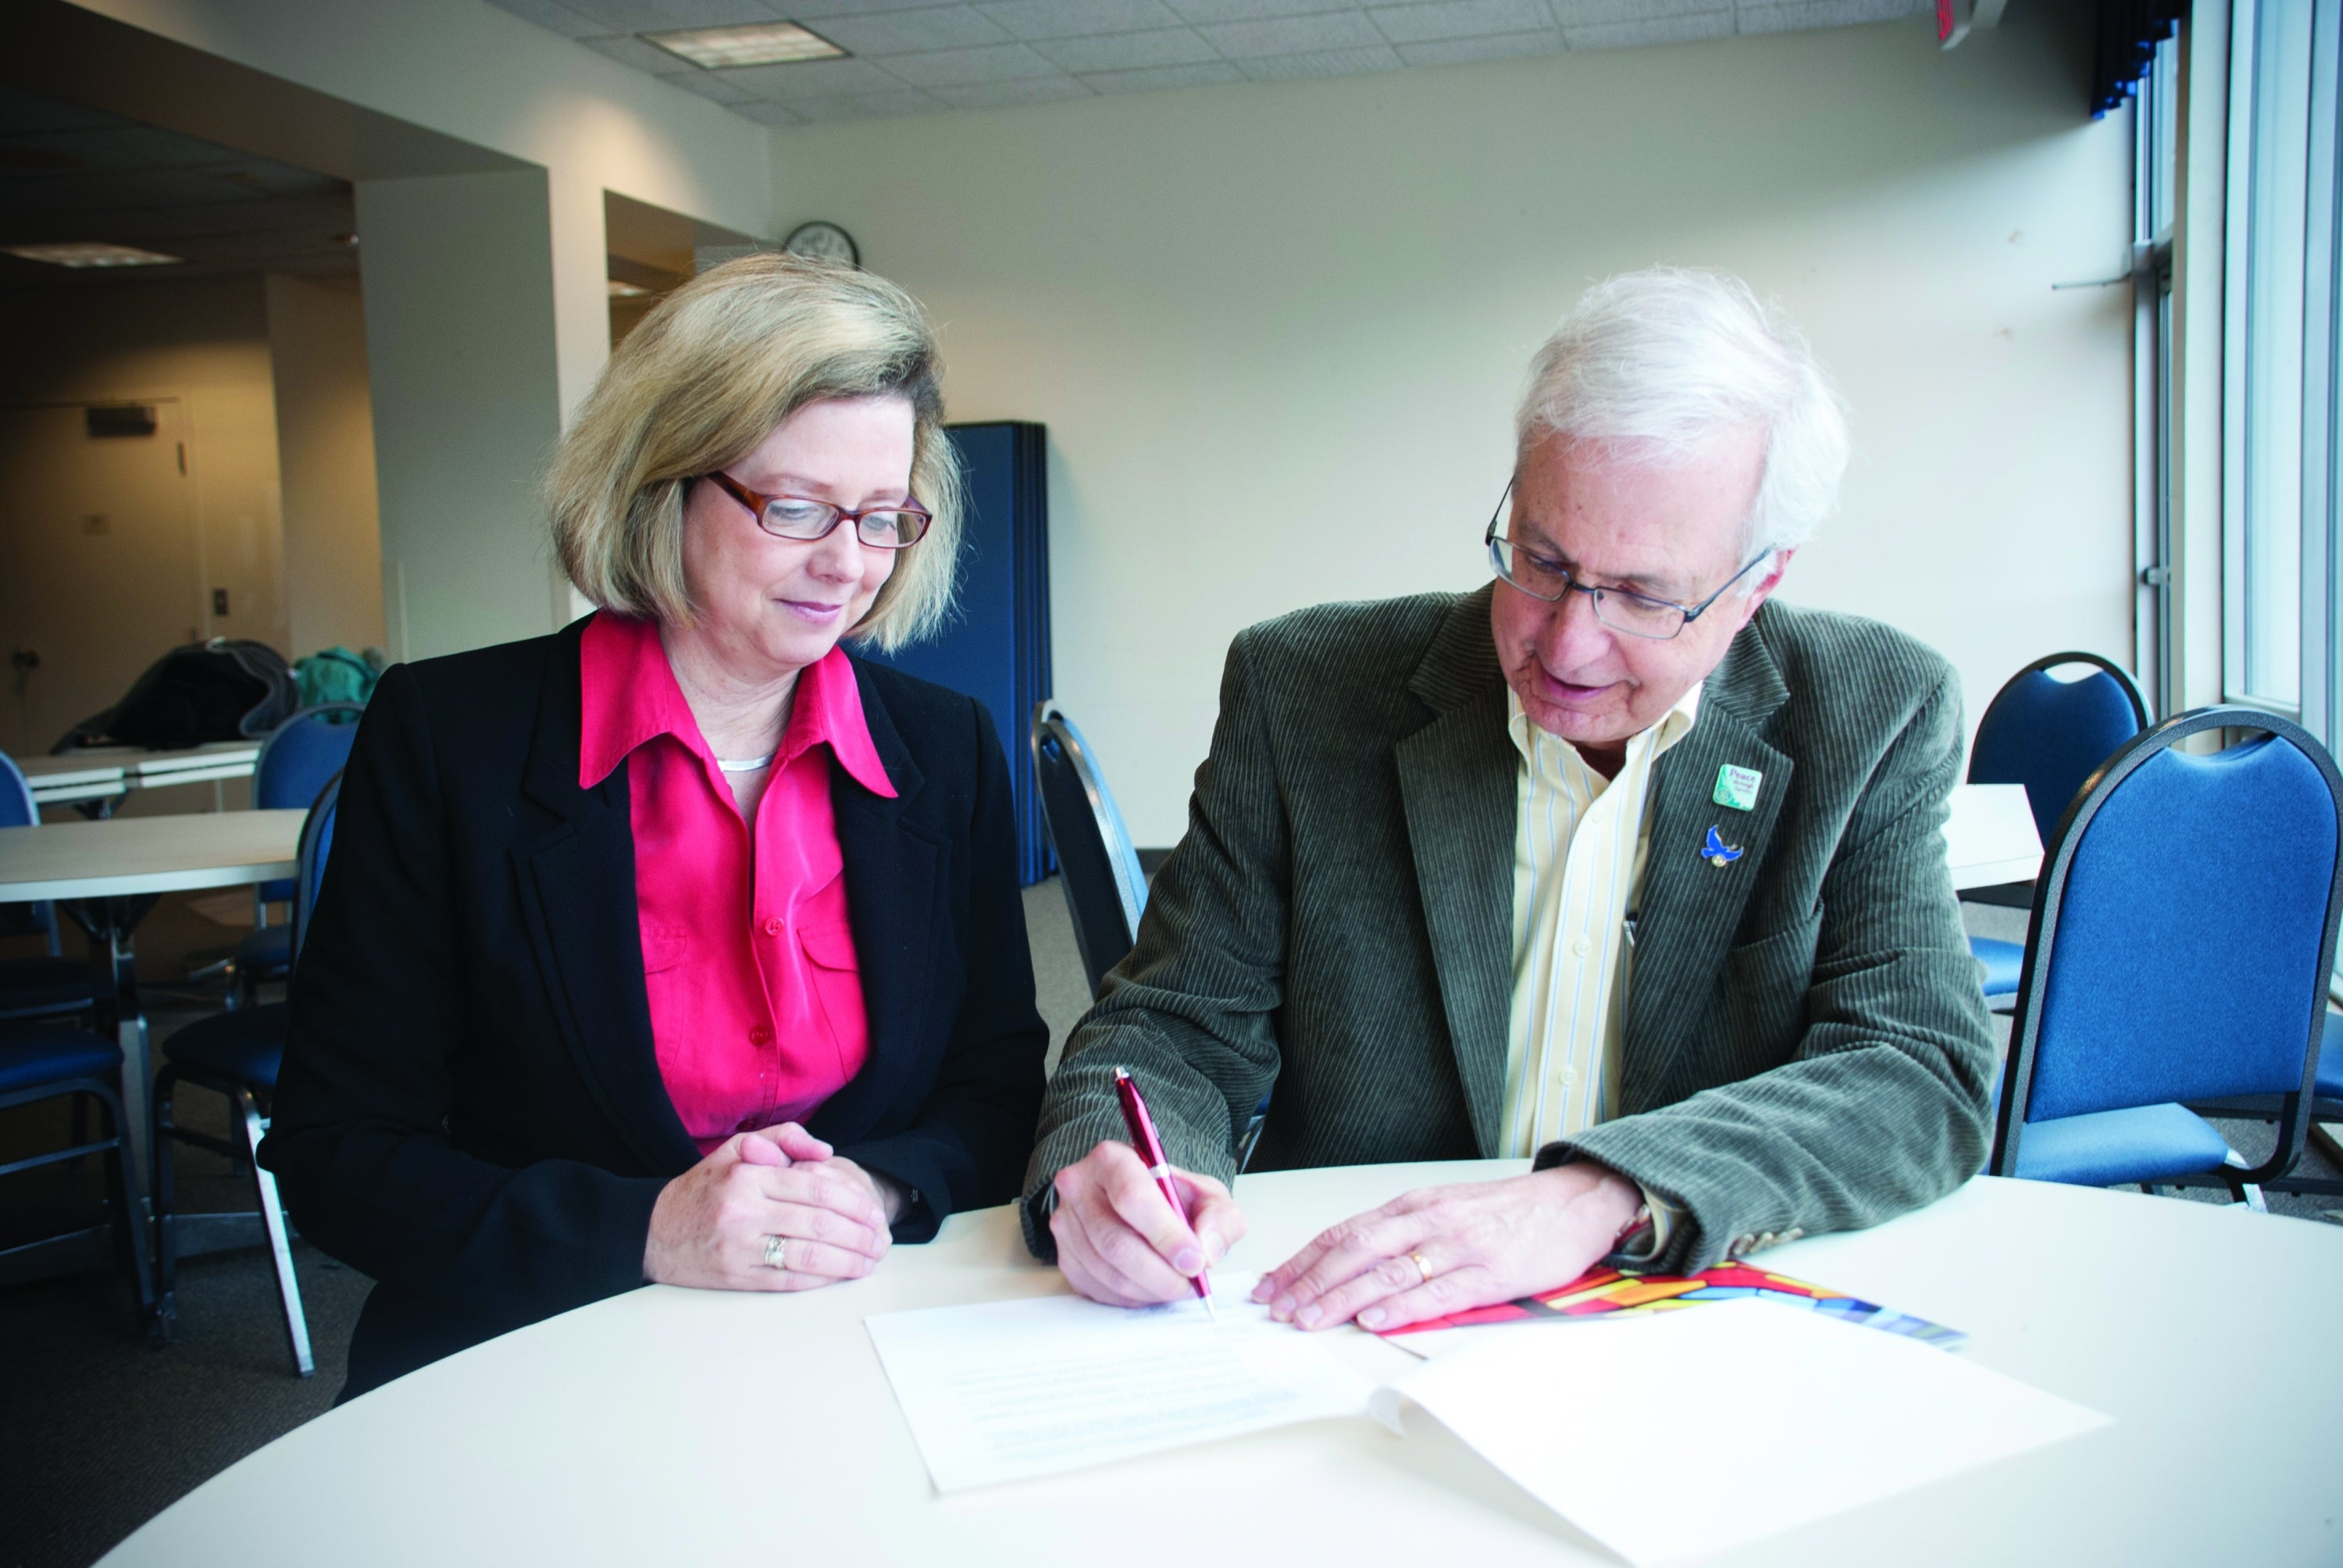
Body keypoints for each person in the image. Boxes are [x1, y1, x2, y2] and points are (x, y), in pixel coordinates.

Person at [1027, 268, 1995, 1335]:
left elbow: (1916, 1072)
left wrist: (1598, 1196)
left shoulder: (1870, 712)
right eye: (1540, 561)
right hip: (1356, 1323)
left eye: (1641, 594)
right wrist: (1112, 1174)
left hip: (1703, 1324)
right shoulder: (1304, 689)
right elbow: (1170, 1029)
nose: (1567, 644)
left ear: (1756, 585)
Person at [262, 255, 1048, 1399]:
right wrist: (648, 1228)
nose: (848, 565)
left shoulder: (942, 749)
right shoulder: (453, 739)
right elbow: (338, 1149)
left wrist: (873, 1192)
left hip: (862, 1330)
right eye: (794, 507)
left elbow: (992, 1083)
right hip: (543, 1346)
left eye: (884, 518)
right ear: (658, 482)